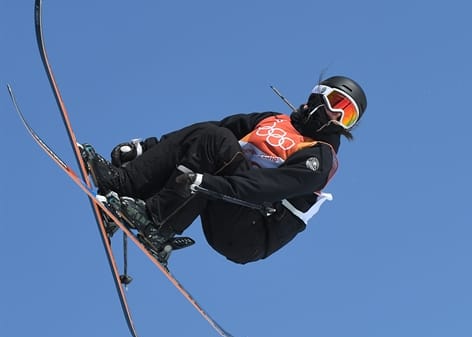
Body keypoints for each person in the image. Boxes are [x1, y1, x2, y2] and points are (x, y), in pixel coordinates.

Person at [82, 75, 367, 266]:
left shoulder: (319, 157)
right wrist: (147, 147)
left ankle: (157, 223)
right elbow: (203, 133)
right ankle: (123, 185)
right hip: (226, 199)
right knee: (211, 135)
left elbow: (265, 187)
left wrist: (208, 183)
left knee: (215, 142)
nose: (337, 116)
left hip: (252, 231)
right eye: (338, 104)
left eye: (348, 116)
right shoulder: (273, 120)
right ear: (318, 95)